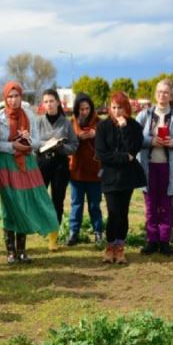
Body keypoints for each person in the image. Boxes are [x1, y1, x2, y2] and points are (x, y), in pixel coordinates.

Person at [0, 81, 58, 263]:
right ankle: (10, 252)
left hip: (27, 162)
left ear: (21, 96)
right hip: (6, 162)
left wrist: (44, 143)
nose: (13, 100)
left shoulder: (29, 115)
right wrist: (12, 145)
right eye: (10, 96)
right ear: (5, 98)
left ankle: (22, 251)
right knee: (10, 204)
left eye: (17, 96)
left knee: (25, 203)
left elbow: (34, 141)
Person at [136, 79, 173, 256]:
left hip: (169, 168)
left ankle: (165, 241)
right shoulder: (144, 115)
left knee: (166, 206)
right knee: (151, 206)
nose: (162, 95)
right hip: (148, 167)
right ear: (155, 94)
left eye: (166, 92)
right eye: (159, 92)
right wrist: (150, 141)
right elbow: (134, 139)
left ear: (172, 96)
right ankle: (151, 241)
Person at [95, 91, 146, 264]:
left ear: (127, 108)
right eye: (114, 107)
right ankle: (110, 247)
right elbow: (102, 154)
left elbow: (133, 148)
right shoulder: (103, 127)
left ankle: (120, 248)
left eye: (120, 108)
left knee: (123, 213)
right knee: (112, 212)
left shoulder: (134, 127)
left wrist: (124, 128)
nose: (116, 111)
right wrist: (124, 157)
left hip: (127, 177)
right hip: (109, 176)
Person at [34, 88, 78, 251]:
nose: (49, 104)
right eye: (46, 101)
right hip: (41, 163)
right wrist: (44, 145)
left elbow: (74, 146)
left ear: (58, 103)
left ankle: (53, 236)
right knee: (40, 199)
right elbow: (32, 142)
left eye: (51, 101)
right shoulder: (38, 121)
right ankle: (42, 226)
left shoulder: (66, 122)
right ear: (43, 104)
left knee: (57, 201)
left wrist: (60, 147)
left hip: (60, 165)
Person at [67, 92, 104, 247]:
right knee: (76, 204)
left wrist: (95, 135)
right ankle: (73, 233)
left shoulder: (100, 123)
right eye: (81, 109)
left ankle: (98, 233)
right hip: (76, 170)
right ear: (77, 109)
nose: (84, 112)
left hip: (95, 171)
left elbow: (107, 142)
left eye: (87, 108)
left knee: (95, 205)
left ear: (91, 108)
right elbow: (66, 142)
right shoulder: (71, 122)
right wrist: (78, 137)